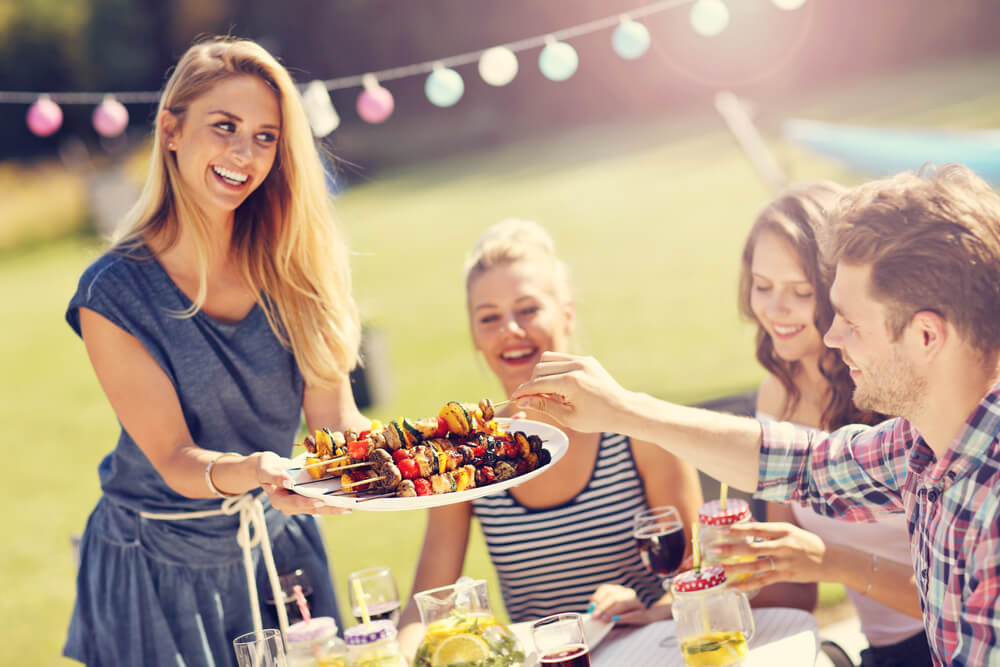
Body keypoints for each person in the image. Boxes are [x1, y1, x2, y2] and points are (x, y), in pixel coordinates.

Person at [511, 164, 1000, 666]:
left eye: (851, 322)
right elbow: (800, 464)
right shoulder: (918, 447)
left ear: (925, 336)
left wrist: (833, 562)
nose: (833, 337)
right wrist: (625, 410)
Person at [63, 37, 369, 666]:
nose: (243, 153)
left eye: (265, 137)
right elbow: (176, 459)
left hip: (281, 552)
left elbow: (335, 427)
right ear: (171, 130)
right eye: (224, 127)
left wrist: (428, 458)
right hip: (157, 569)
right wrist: (257, 470)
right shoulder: (112, 292)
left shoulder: (300, 265)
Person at [397, 220, 704, 653]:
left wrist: (653, 608)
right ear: (474, 335)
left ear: (567, 313)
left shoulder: (635, 429)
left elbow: (700, 576)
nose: (510, 330)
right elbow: (426, 604)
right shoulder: (463, 460)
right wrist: (398, 652)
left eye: (528, 310)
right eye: (489, 317)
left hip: (652, 650)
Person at [722, 182, 931, 666]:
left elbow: (959, 604)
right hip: (883, 654)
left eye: (800, 291)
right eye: (762, 286)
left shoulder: (897, 390)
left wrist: (831, 561)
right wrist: (686, 600)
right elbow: (793, 590)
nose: (774, 311)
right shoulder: (778, 391)